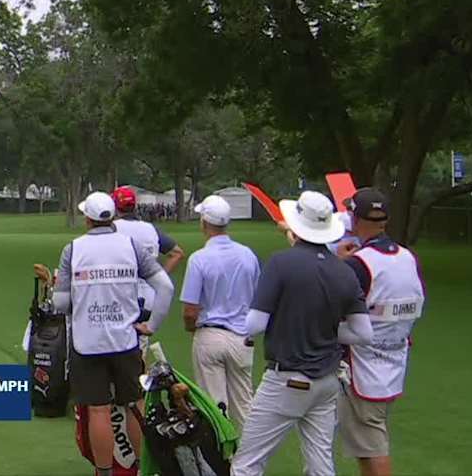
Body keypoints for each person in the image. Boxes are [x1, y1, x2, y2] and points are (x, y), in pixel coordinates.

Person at [231, 191, 375, 476]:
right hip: (327, 380)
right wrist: (326, 329)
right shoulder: (344, 271)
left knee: (247, 463)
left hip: (288, 378)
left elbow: (255, 324)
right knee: (320, 464)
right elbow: (363, 332)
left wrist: (292, 322)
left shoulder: (280, 263)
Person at [34, 191, 174, 476]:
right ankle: (139, 468)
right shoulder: (131, 245)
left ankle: (105, 471)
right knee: (133, 406)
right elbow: (166, 287)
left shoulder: (73, 249)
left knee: (98, 411)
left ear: (88, 219)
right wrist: (152, 325)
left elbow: (61, 303)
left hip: (88, 342)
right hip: (125, 340)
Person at [335, 189, 425, 476]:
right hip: (394, 358)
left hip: (362, 364)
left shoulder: (360, 264)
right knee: (367, 442)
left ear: (355, 218)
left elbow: (333, 304)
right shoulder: (407, 257)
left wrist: (340, 265)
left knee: (373, 443)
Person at [180, 194, 260, 426]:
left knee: (213, 405)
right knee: (244, 405)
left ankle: (220, 459)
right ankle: (248, 460)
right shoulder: (248, 255)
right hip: (242, 335)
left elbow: (190, 310)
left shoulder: (199, 259)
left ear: (204, 223)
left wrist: (191, 329)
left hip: (210, 334)